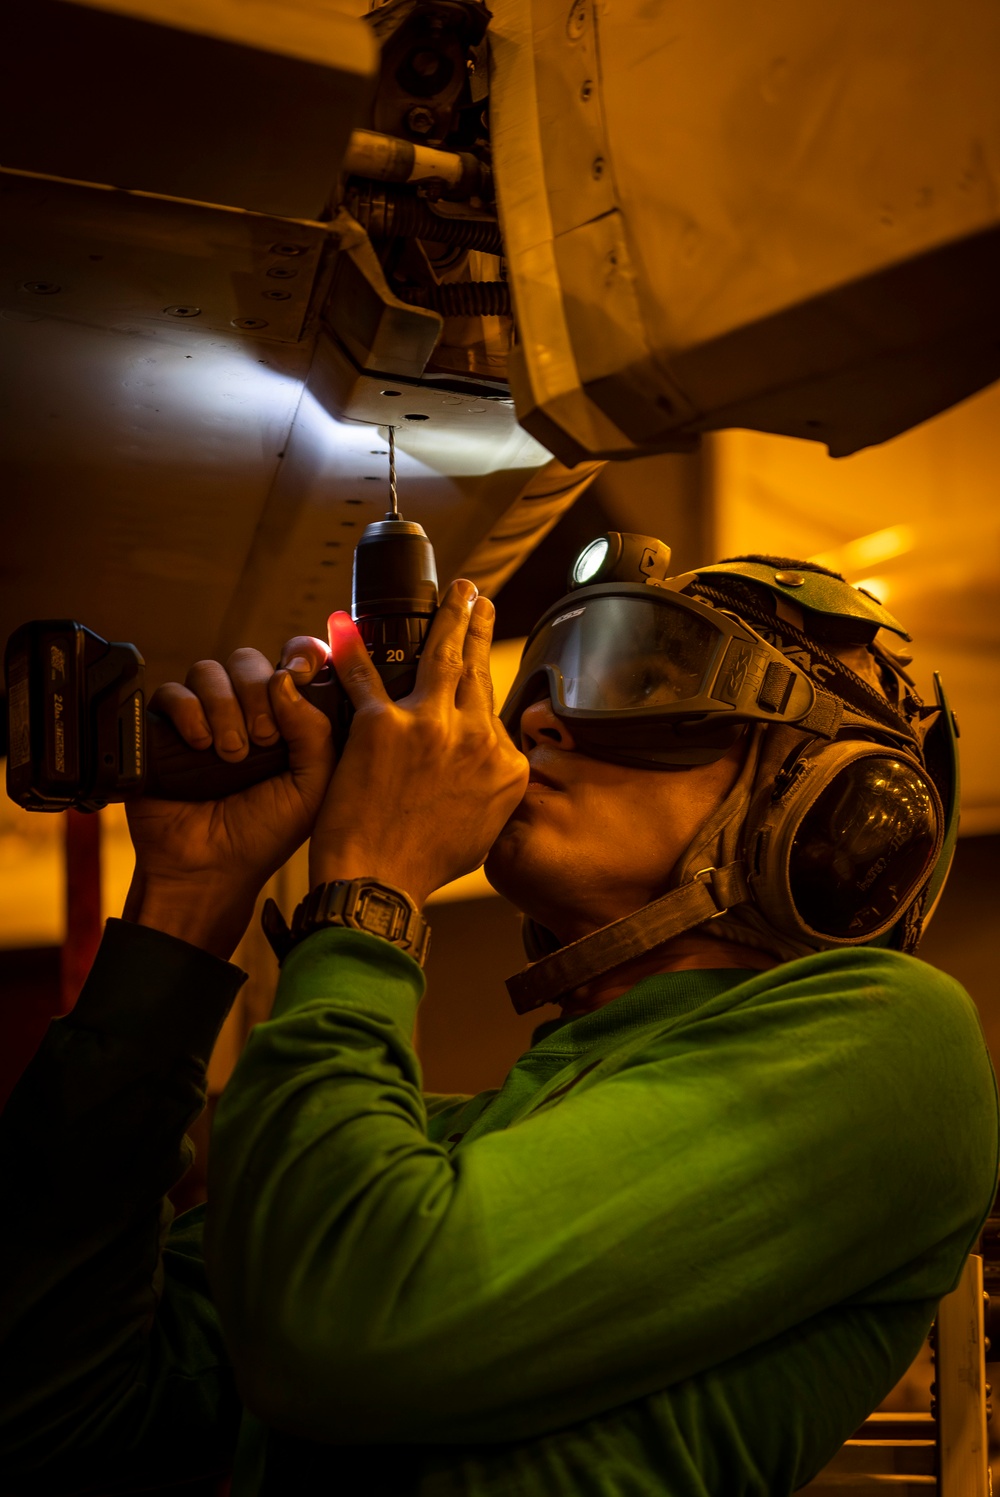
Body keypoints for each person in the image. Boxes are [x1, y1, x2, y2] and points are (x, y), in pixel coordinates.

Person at [1, 540, 997, 1497]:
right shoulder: (422, 1150)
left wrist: (370, 887)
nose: (546, 724)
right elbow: (52, 1418)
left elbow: (349, 1331)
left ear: (832, 810)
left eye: (646, 683)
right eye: (554, 680)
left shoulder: (896, 1038)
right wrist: (185, 907)